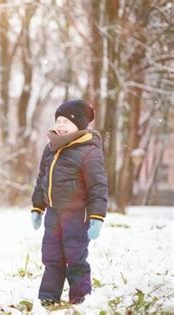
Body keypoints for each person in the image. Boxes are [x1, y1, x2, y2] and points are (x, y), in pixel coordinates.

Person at [30, 99, 108, 306]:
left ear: (80, 124)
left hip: (77, 214)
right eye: (58, 121)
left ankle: (80, 297)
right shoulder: (51, 148)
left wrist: (97, 216)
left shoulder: (89, 151)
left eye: (66, 121)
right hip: (54, 214)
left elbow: (98, 187)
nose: (60, 125)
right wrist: (37, 207)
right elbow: (42, 180)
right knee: (51, 256)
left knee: (75, 257)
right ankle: (48, 296)